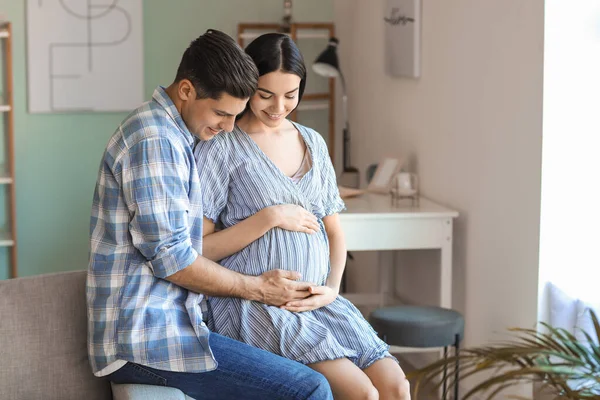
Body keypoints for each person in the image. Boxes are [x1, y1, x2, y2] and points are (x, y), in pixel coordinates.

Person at [86, 29, 333, 400]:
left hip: (173, 324)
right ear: (186, 90)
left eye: (235, 116)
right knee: (310, 388)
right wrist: (260, 289)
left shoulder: (177, 137)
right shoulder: (155, 141)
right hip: (147, 339)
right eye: (221, 113)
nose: (228, 128)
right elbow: (175, 260)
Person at [195, 33, 411, 400]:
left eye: (291, 95)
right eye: (265, 94)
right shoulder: (222, 147)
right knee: (362, 393)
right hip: (258, 303)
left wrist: (333, 289)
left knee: (396, 386)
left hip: (320, 301)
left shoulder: (312, 141)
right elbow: (198, 250)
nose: (279, 106)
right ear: (248, 86)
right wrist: (270, 216)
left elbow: (335, 231)